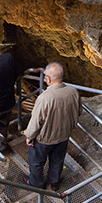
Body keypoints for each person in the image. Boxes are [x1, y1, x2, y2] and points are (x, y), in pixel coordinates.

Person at [24, 62, 81, 191]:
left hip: (45, 138)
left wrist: (29, 136)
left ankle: (36, 183)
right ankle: (54, 182)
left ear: (48, 79)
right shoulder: (73, 92)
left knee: (37, 162)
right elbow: (78, 111)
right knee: (57, 160)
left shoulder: (45, 97)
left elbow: (36, 120)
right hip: (64, 135)